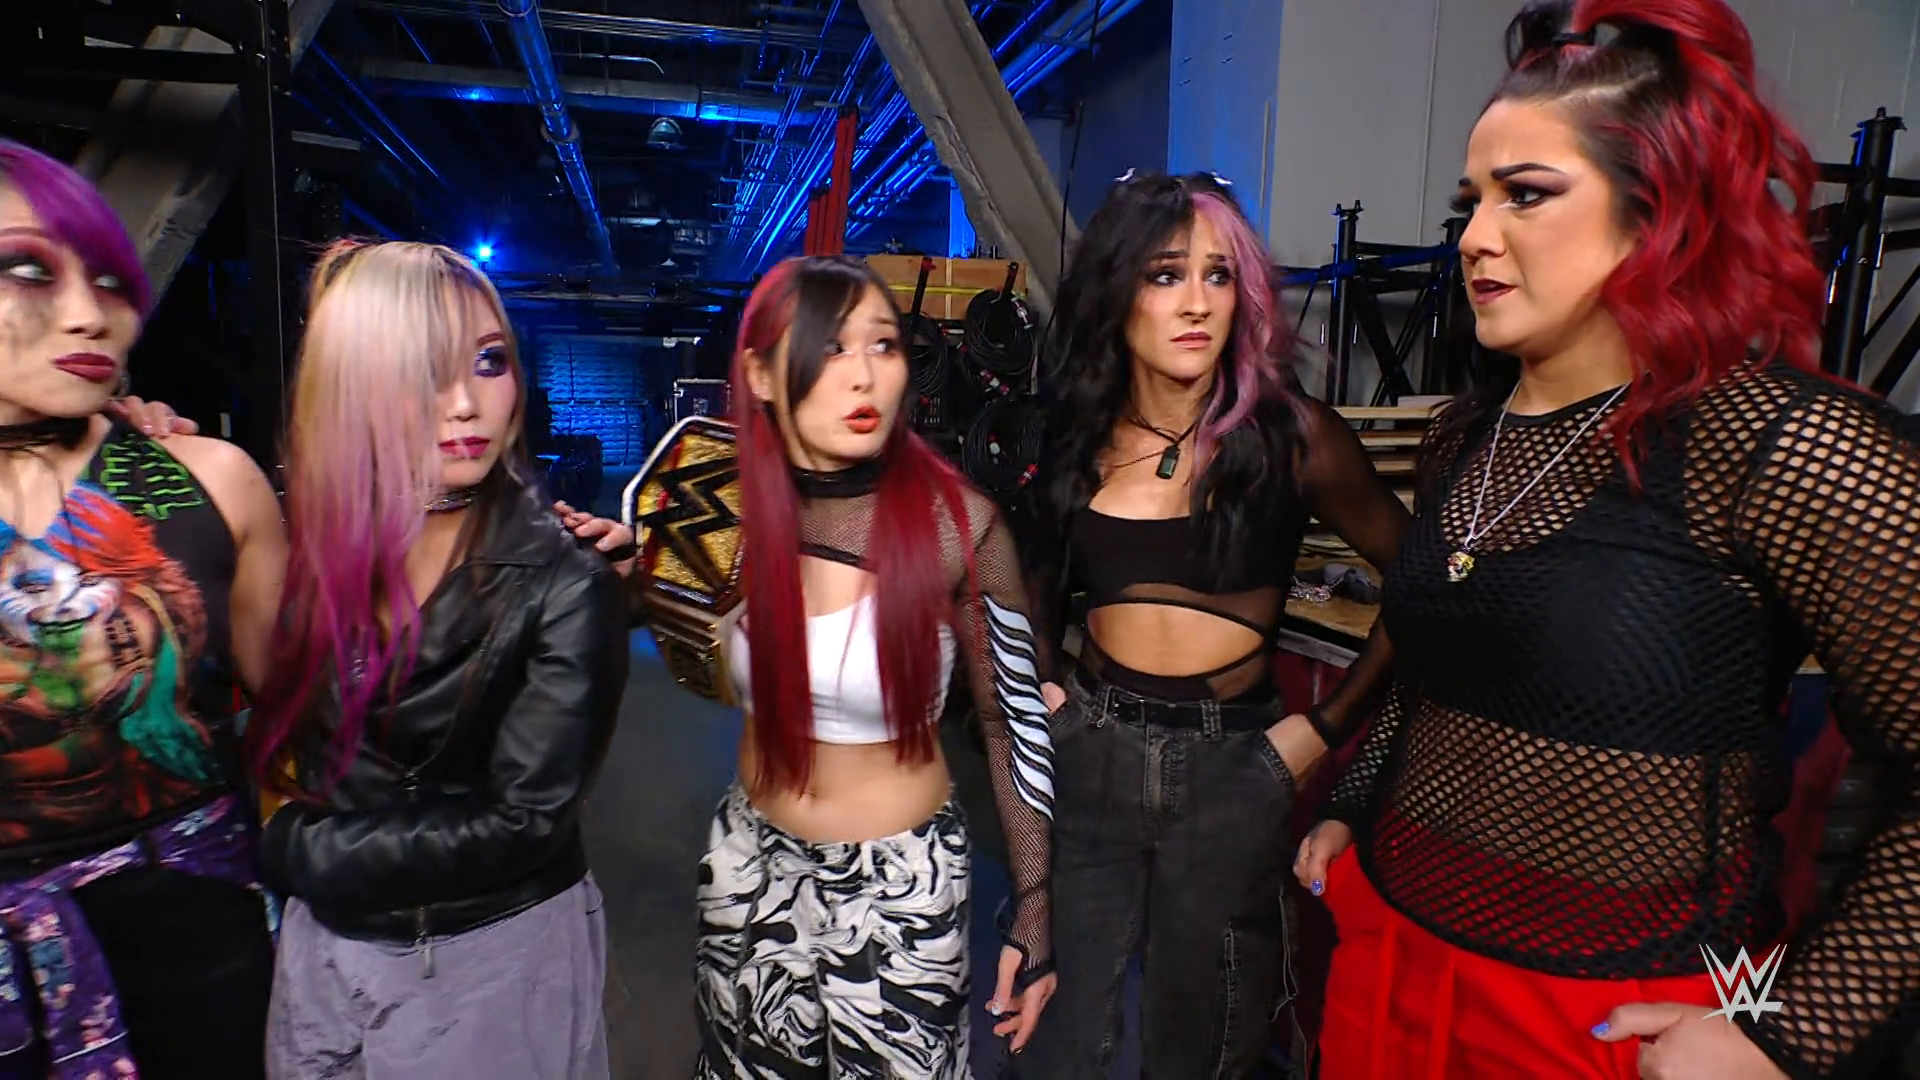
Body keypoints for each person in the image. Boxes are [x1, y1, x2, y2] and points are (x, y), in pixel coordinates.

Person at [1292, 2, 1920, 1078]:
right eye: (1472, 202)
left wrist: (1786, 1036)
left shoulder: (1778, 445)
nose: (1475, 237)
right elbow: (1435, 669)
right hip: (1390, 951)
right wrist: (1355, 806)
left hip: (1613, 1012)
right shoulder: (1468, 437)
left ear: (1656, 213)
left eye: (1527, 194)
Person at [1017, 172, 1409, 1077]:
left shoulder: (1294, 439)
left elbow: (1425, 584)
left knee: (1205, 1038)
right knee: (1059, 1032)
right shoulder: (1075, 433)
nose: (1196, 302)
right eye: (1166, 275)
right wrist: (1044, 691)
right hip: (1094, 749)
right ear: (1117, 291)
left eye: (1218, 275)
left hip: (1232, 762)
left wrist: (1322, 729)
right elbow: (1036, 580)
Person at [635, 254, 1056, 1077]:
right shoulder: (713, 503)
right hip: (750, 865)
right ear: (761, 373)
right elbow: (666, 626)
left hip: (899, 891)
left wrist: (1035, 912)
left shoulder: (957, 526)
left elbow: (1011, 721)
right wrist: (618, 565)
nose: (864, 375)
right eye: (829, 347)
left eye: (883, 344)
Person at [246, 240, 630, 1078]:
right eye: (422, 370)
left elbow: (523, 822)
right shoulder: (320, 546)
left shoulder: (564, 579)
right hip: (323, 945)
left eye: (489, 361)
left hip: (481, 952)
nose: (464, 403)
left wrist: (291, 848)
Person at [0, 140, 287, 1078]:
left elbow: (306, 723)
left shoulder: (204, 478)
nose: (91, 313)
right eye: (27, 269)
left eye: (111, 280)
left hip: (204, 948)